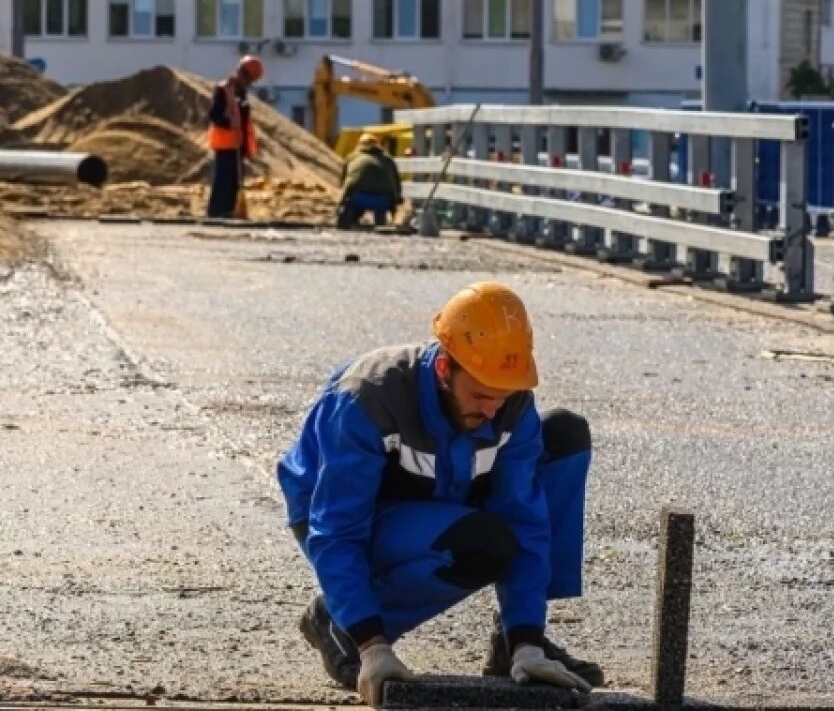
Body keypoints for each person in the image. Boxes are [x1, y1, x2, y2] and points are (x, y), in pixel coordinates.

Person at [276, 282, 603, 708]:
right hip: (340, 512)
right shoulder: (367, 399)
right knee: (482, 544)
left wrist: (527, 639)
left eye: (502, 396)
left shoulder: (509, 406)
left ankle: (512, 642)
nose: (491, 410)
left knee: (563, 437)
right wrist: (371, 643)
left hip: (439, 491)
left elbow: (525, 518)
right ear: (445, 369)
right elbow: (336, 529)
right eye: (480, 395)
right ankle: (338, 623)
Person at [206, 55, 263, 219]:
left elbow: (244, 120)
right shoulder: (223, 90)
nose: (249, 84)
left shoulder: (242, 94)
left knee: (234, 181)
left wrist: (245, 145)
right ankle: (216, 211)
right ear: (242, 74)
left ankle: (230, 209)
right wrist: (229, 122)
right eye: (249, 80)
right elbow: (214, 115)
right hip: (224, 143)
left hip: (237, 144)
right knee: (223, 179)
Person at [335, 133, 404, 229]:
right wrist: (396, 201)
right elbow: (397, 182)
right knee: (381, 204)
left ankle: (348, 222)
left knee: (351, 201)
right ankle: (381, 223)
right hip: (383, 201)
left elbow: (345, 181)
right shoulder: (388, 159)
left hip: (359, 199)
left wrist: (340, 204)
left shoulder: (352, 157)